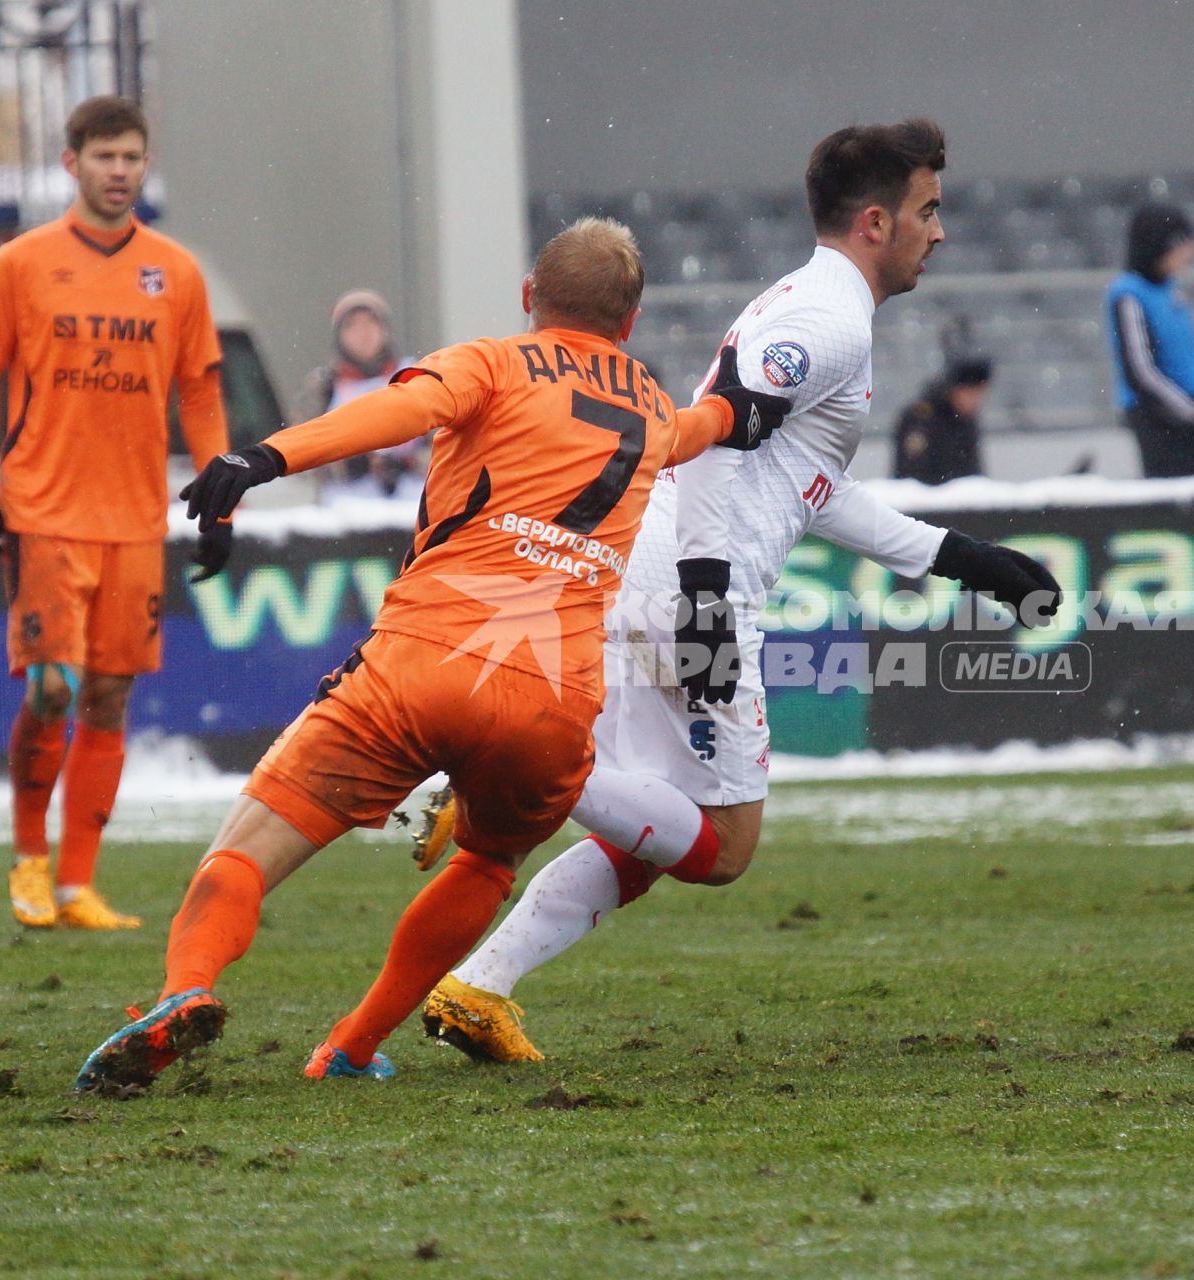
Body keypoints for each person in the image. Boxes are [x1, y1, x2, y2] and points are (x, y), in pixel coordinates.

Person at [72, 218, 792, 1090]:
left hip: (425, 661)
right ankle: (353, 1043)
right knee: (488, 861)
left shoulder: (492, 361)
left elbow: (398, 412)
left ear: (530, 298)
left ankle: (184, 991)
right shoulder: (647, 404)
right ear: (631, 324)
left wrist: (265, 456)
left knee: (249, 847)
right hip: (555, 702)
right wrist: (739, 410)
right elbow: (698, 425)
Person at [409, 119, 1063, 1067]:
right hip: (692, 587)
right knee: (722, 847)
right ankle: (523, 766)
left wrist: (971, 562)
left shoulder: (818, 307)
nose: (941, 230)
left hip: (663, 576)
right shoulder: (824, 321)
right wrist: (710, 599)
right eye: (929, 210)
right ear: (876, 221)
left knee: (656, 835)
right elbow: (718, 435)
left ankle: (479, 987)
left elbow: (803, 481)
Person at [0, 96, 232, 932]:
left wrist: (219, 504)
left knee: (107, 700)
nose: (119, 172)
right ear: (71, 163)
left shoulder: (176, 272)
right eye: (105, 157)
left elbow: (201, 388)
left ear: (146, 166)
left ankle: (78, 886)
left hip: (136, 518)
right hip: (43, 507)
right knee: (50, 690)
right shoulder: (22, 263)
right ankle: (28, 862)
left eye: (132, 158)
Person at [1105, 202, 1194, 478]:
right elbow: (1141, 370)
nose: (1190, 253)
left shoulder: (1171, 288)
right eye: (1182, 243)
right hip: (1163, 417)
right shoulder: (1129, 294)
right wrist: (1190, 414)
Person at [299, 289, 424, 500]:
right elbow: (301, 453)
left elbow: (446, 443)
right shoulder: (323, 387)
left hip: (412, 505)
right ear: (340, 335)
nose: (363, 333)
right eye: (352, 325)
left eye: (370, 323)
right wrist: (348, 466)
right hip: (346, 512)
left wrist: (408, 464)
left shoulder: (413, 377)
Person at [893, 355, 991, 484]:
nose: (975, 401)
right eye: (970, 393)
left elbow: (972, 472)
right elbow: (910, 472)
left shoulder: (965, 419)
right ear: (954, 389)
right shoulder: (921, 418)